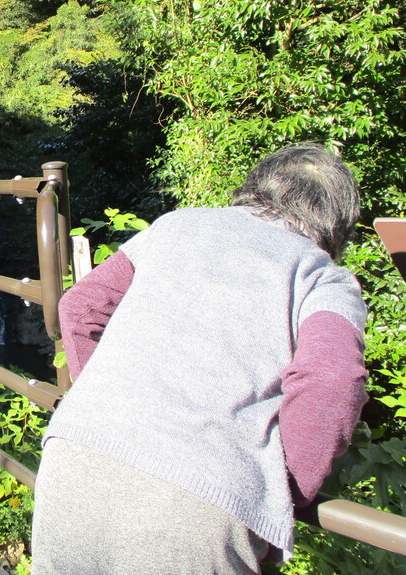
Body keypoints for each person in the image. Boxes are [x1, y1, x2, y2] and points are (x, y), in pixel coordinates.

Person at [31, 143, 368, 574]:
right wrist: (283, 492)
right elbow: (333, 379)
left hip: (74, 456)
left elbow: (80, 307)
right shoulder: (323, 276)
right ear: (337, 221)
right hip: (198, 501)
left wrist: (105, 404)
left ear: (255, 186)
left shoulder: (176, 225)